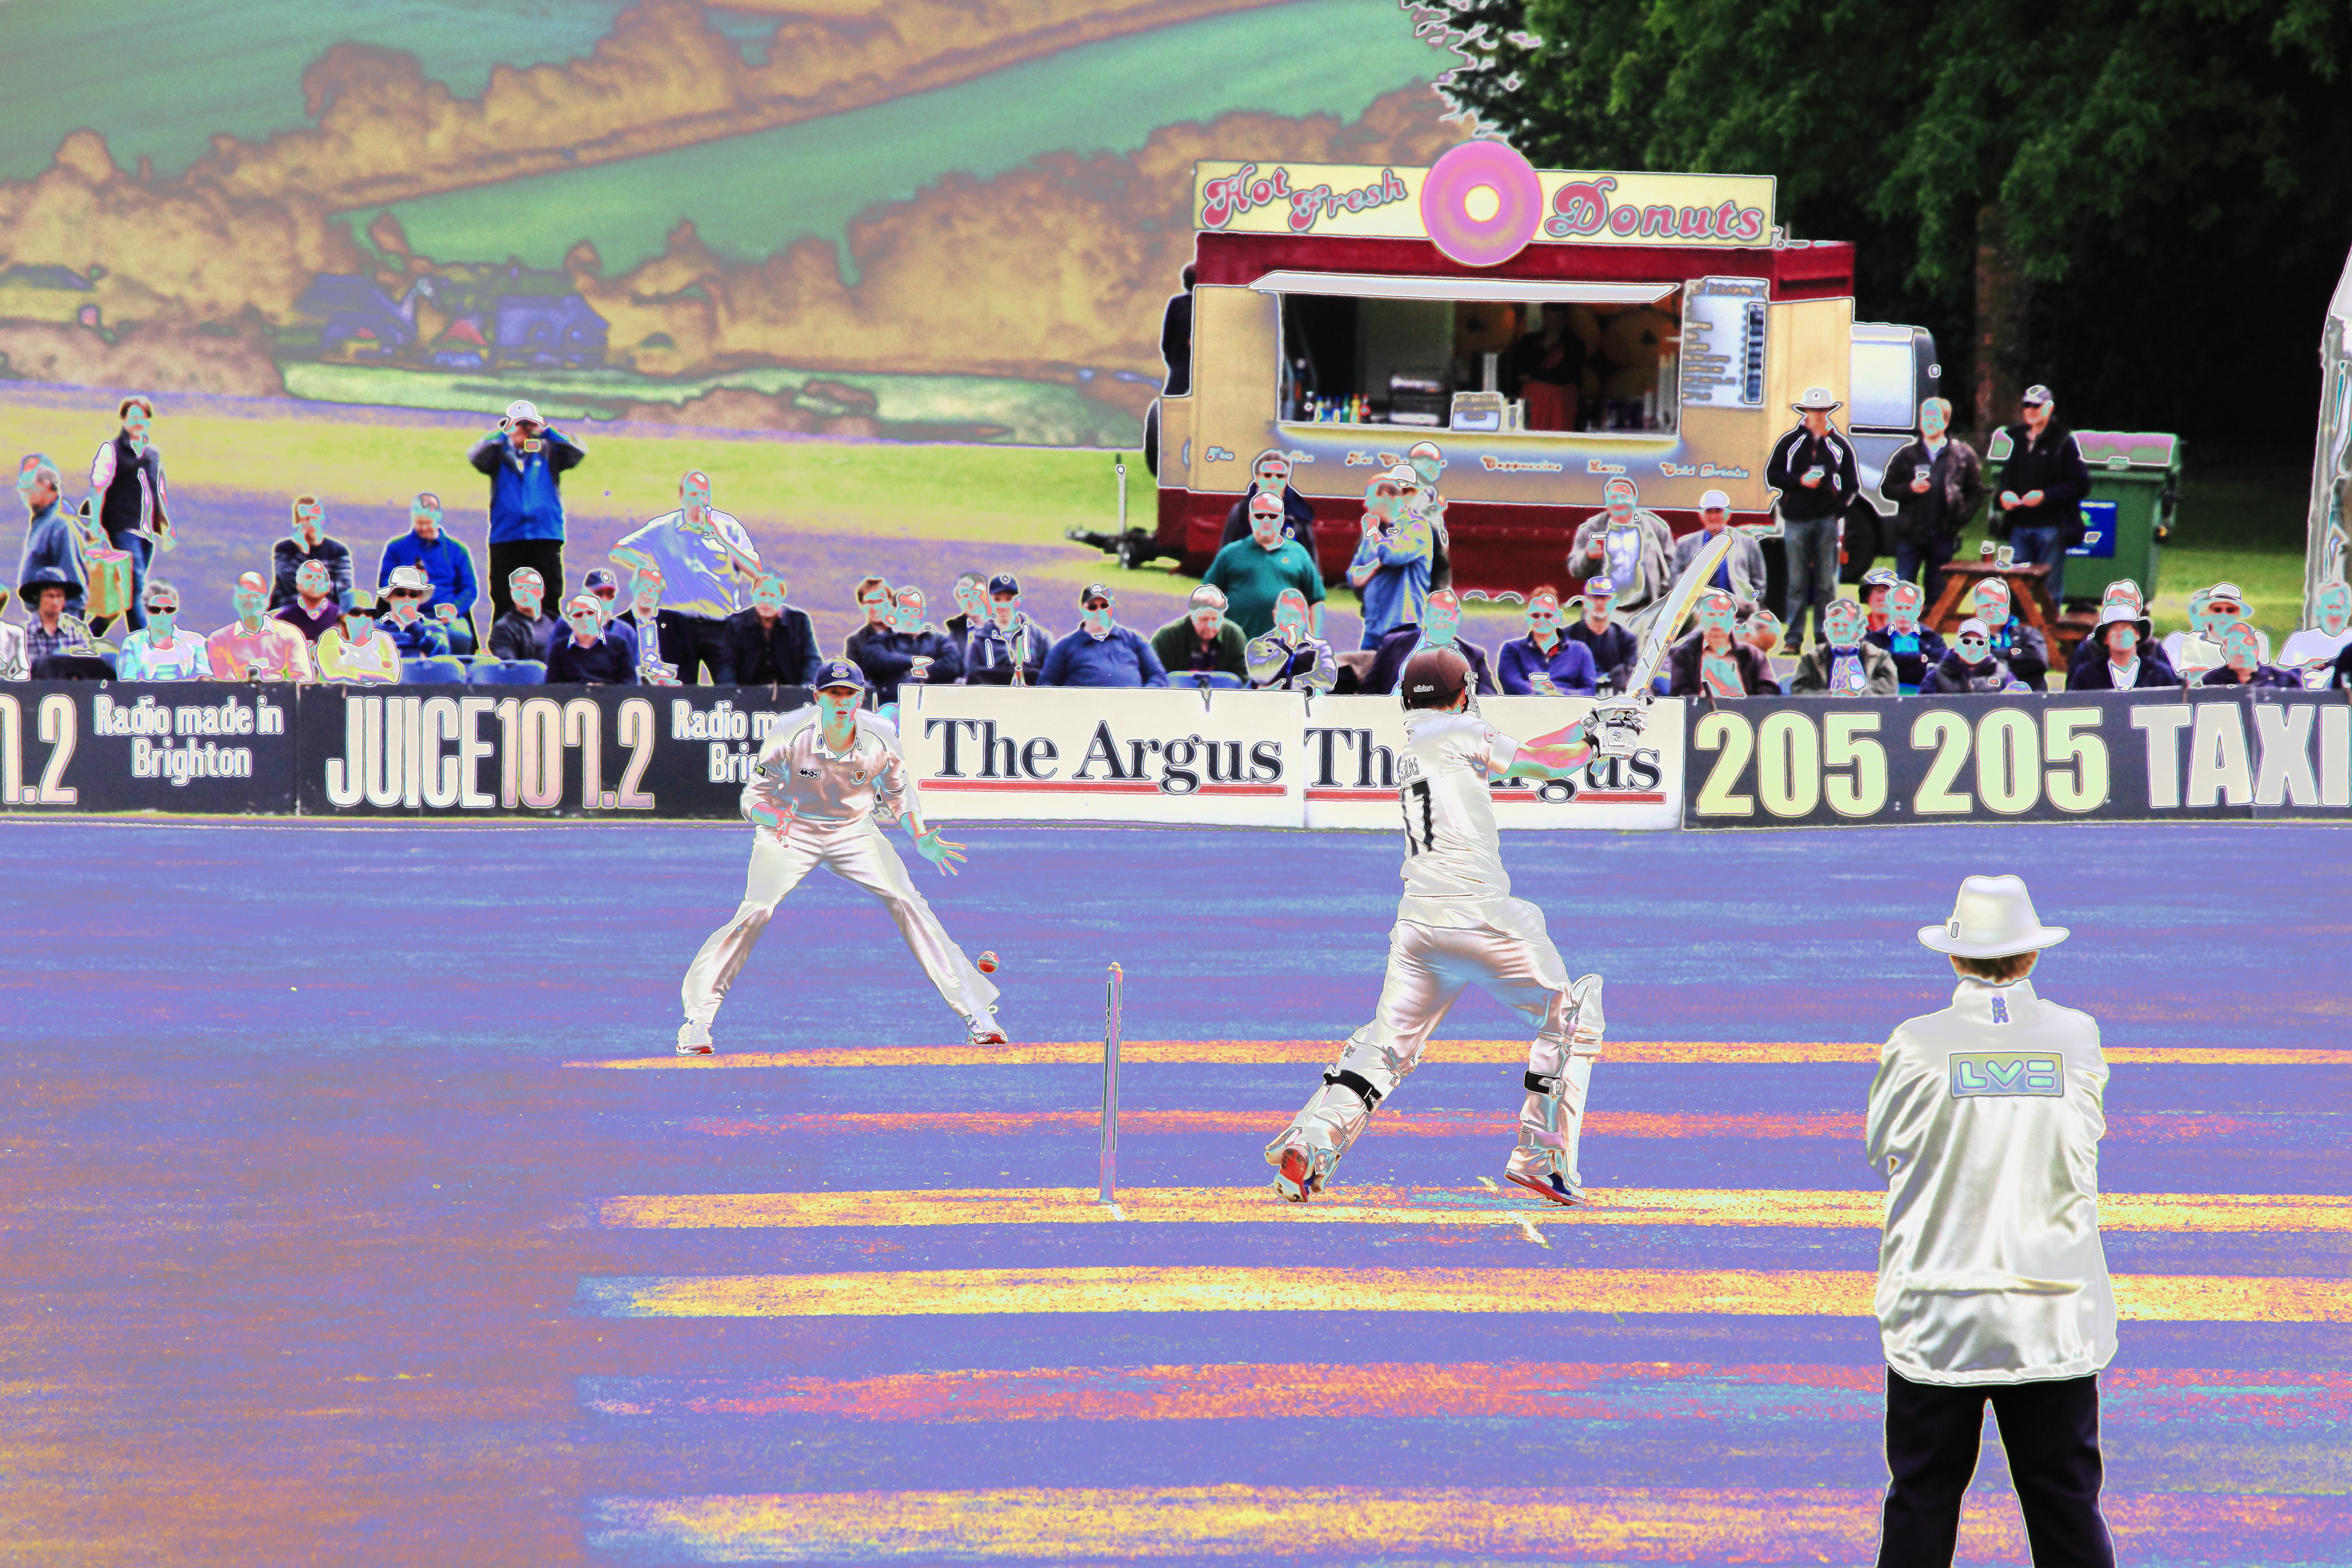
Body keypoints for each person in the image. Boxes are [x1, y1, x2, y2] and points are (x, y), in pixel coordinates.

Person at [1263, 645, 1634, 1205]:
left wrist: (1587, 727)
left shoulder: (1419, 744)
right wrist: (1598, 745)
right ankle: (1542, 1156)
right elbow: (1541, 765)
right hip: (1481, 916)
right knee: (1572, 1020)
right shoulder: (1462, 731)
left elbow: (1531, 751)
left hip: (1420, 925)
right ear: (1462, 693)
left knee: (1386, 1049)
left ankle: (1312, 1144)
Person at [1869, 874, 2116, 1568]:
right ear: (2031, 953)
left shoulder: (1916, 1043)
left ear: (1955, 955)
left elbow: (1881, 1148)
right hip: (2052, 1310)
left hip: (1939, 1309)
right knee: (2067, 1509)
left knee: (1922, 1501)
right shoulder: (2076, 1036)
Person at [678, 659, 1006, 1053]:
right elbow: (752, 798)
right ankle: (697, 1023)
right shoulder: (789, 733)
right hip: (791, 831)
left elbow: (899, 794)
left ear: (860, 698)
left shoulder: (881, 736)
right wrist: (774, 816)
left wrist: (919, 836)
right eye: (833, 693)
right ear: (818, 697)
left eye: (849, 693)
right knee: (758, 908)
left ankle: (977, 1014)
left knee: (907, 899)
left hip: (854, 831)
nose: (841, 701)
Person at [609, 470, 760, 685]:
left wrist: (724, 539)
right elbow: (618, 550)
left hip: (722, 626)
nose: (699, 501)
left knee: (730, 688)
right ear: (681, 497)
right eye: (693, 495)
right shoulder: (663, 529)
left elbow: (756, 571)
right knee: (678, 692)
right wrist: (648, 568)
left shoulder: (728, 527)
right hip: (677, 626)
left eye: (703, 494)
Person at [470, 398, 585, 622]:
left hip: (545, 534)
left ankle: (547, 640)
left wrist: (547, 431)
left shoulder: (549, 450)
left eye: (527, 424)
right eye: (519, 424)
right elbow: (475, 457)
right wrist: (504, 434)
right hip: (507, 536)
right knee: (503, 598)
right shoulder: (497, 451)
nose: (523, 430)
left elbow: (578, 451)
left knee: (549, 598)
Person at [1766, 387, 1859, 654]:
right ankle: (1794, 639)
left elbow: (1852, 486)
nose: (1818, 415)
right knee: (1796, 582)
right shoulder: (1790, 442)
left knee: (1826, 583)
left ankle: (1824, 637)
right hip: (1795, 520)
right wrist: (1800, 481)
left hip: (1827, 521)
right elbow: (1773, 475)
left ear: (1829, 412)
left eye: (1822, 411)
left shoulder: (1840, 446)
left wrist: (1837, 511)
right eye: (1813, 410)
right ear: (1805, 412)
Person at [1991, 385, 2092, 609]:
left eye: (2037, 406)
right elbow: (2007, 479)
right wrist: (2004, 495)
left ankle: (2048, 631)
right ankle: (2016, 629)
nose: (2031, 410)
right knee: (2015, 588)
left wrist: (2045, 496)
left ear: (2050, 408)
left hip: (2051, 528)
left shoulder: (2063, 441)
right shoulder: (2017, 439)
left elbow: (2081, 484)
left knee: (2049, 591)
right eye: (2027, 405)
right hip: (2019, 527)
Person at [1883, 397, 1984, 608]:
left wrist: (1960, 518)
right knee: (1903, 593)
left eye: (1934, 418)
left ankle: (1930, 629)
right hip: (1910, 534)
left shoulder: (1962, 455)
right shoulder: (1906, 454)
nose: (1929, 422)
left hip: (1943, 534)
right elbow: (1887, 488)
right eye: (1925, 418)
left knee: (1938, 596)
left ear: (1945, 423)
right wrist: (1910, 488)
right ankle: (1903, 628)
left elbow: (1977, 492)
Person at [88, 395, 173, 633]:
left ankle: (86, 637)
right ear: (124, 420)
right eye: (134, 417)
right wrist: (95, 523)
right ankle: (144, 642)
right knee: (136, 587)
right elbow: (98, 488)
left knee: (124, 595)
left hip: (147, 533)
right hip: (122, 528)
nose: (139, 422)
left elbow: (159, 492)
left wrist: (169, 527)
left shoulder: (153, 454)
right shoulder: (112, 450)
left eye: (143, 417)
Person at [1202, 497, 1326, 640]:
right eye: (1260, 516)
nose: (1266, 520)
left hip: (1284, 646)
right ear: (1251, 519)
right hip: (1236, 645)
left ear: (1282, 520)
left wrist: (1316, 640)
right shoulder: (1230, 554)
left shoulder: (1299, 555)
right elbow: (1207, 598)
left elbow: (1316, 601)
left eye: (1273, 516)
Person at [377, 492, 480, 655]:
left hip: (444, 615)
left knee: (459, 634)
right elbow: (385, 582)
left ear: (439, 517)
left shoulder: (457, 550)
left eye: (428, 523)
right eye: (420, 523)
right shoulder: (397, 548)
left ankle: (456, 669)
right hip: (405, 610)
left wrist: (454, 609)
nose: (424, 528)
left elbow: (470, 589)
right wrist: (407, 582)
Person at [1565, 477, 1676, 612]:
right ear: (1606, 502)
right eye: (1613, 497)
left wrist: (1660, 596)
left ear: (1635, 500)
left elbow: (1672, 566)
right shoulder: (1591, 530)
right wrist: (1588, 557)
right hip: (1604, 611)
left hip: (1645, 610)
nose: (1619, 502)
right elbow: (1575, 570)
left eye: (1624, 496)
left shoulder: (1655, 528)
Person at [1364, 588, 1496, 697]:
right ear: (1425, 616)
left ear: (1458, 618)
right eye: (1435, 614)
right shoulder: (1394, 644)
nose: (1440, 620)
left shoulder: (1474, 656)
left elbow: (1489, 697)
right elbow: (1369, 690)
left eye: (1446, 615)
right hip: (1396, 714)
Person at [1348, 482, 1434, 651]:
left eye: (1370, 498)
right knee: (1365, 669)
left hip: (1403, 627)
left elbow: (1393, 556)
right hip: (1372, 627)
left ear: (1386, 497)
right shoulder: (1375, 530)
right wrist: (1377, 566)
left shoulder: (1416, 527)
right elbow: (1353, 577)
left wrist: (1373, 535)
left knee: (1398, 670)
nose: (1365, 504)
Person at [1041, 583, 1168, 689]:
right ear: (1083, 609)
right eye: (1093, 607)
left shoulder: (1135, 640)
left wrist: (1143, 697)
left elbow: (1158, 676)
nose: (1100, 611)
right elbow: (1046, 684)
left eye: (1104, 606)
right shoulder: (1065, 647)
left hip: (1131, 708)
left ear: (1112, 606)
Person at [858, 586, 965, 703]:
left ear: (924, 613)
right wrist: (913, 661)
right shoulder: (881, 641)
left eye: (916, 611)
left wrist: (926, 671)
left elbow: (953, 663)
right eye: (905, 611)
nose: (911, 616)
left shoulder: (940, 640)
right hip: (893, 703)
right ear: (893, 612)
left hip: (935, 703)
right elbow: (878, 661)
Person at [206, 570, 315, 683]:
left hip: (283, 693)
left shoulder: (291, 634)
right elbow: (227, 685)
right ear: (236, 601)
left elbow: (303, 680)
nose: (253, 601)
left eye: (257, 595)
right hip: (240, 694)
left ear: (268, 600)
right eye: (246, 596)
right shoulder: (219, 640)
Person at [1668, 590, 1779, 697]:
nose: (1717, 621)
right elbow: (1680, 694)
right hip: (1706, 709)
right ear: (1700, 618)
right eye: (1711, 615)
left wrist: (1751, 706)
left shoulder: (1753, 655)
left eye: (1722, 615)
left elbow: (1769, 692)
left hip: (1744, 708)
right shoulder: (1685, 655)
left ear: (1733, 618)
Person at [14, 461, 87, 625]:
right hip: (43, 618)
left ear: (46, 486)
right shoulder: (44, 518)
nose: (20, 488)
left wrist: (66, 626)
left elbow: (73, 579)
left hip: (57, 623)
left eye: (25, 483)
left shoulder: (63, 523)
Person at [1497, 585, 1599, 696]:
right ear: (1527, 616)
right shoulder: (1512, 650)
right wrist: (1542, 694)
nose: (1542, 620)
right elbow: (1512, 685)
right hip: (1526, 706)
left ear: (1559, 616)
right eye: (1536, 616)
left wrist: (1556, 694)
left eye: (1548, 615)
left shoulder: (1580, 651)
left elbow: (1590, 691)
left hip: (1568, 707)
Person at [724, 573, 821, 687]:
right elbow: (727, 664)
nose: (767, 601)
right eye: (762, 595)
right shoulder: (736, 624)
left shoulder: (799, 622)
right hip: (749, 691)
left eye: (773, 596)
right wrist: (731, 690)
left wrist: (806, 688)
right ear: (753, 594)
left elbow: (812, 659)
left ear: (782, 597)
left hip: (791, 689)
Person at [1671, 489, 1766, 603]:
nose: (1714, 517)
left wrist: (1752, 602)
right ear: (1701, 514)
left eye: (1718, 511)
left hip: (1739, 605)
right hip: (1698, 606)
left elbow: (1759, 581)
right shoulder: (1685, 544)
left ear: (1728, 513)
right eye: (1709, 512)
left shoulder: (1747, 541)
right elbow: (1675, 578)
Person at [1790, 597, 1898, 696]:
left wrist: (1859, 695)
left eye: (1846, 625)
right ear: (1826, 628)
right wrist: (1830, 696)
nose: (1840, 630)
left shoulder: (1879, 657)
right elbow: (1798, 690)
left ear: (1860, 628)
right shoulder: (1811, 659)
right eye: (1835, 625)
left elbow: (1890, 686)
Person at [962, 573, 1053, 686]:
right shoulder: (979, 641)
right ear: (990, 602)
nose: (1003, 606)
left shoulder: (1041, 638)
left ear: (1019, 601)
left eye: (1009, 599)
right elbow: (971, 682)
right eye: (997, 599)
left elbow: (1052, 678)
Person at [268, 495, 353, 612]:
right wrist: (302, 553)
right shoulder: (284, 549)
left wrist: (315, 586)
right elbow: (287, 585)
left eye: (315, 518)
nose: (312, 523)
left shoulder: (338, 552)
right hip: (288, 610)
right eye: (307, 519)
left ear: (323, 520)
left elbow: (345, 590)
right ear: (297, 522)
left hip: (327, 612)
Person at [17, 567, 106, 678]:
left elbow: (92, 666)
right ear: (38, 598)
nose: (55, 602)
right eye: (50, 596)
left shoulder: (78, 629)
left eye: (59, 596)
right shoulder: (24, 633)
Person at [114, 579, 210, 682]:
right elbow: (127, 684)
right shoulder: (133, 643)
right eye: (155, 610)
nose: (163, 615)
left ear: (176, 612)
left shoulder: (195, 641)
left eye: (169, 610)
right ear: (146, 611)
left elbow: (205, 679)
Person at [1513, 300, 1586, 432]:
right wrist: (1545, 346)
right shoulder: (1529, 341)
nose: (1552, 324)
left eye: (1556, 319)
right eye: (1548, 318)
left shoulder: (1575, 345)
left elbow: (1565, 375)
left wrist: (1532, 375)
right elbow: (1521, 368)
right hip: (1533, 407)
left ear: (1565, 318)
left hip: (1560, 408)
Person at [1219, 449, 1315, 549]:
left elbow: (1309, 555)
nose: (1274, 480)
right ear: (1257, 478)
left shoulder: (1300, 513)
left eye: (1280, 476)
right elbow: (1226, 550)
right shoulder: (1242, 511)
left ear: (1286, 481)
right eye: (1268, 475)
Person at [1244, 588, 1336, 692]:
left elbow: (1327, 680)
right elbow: (1261, 677)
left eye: (1298, 616)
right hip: (1268, 701)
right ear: (1276, 616)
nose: (1293, 621)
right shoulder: (1259, 645)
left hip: (1305, 700)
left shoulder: (1320, 647)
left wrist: (1288, 685)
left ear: (1307, 616)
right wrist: (1286, 649)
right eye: (1287, 616)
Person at [1151, 584, 1248, 681]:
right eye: (1204, 620)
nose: (1210, 626)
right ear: (1192, 615)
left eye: (1215, 619)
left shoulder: (1234, 637)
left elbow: (1243, 679)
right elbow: (1157, 679)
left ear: (1223, 616)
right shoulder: (1167, 639)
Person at [1868, 580, 1949, 696]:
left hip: (1924, 698)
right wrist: (1919, 659)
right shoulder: (1874, 639)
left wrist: (1891, 660)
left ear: (1919, 610)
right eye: (1898, 608)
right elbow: (1872, 673)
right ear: (1889, 609)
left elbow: (1940, 673)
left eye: (1909, 608)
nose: (1903, 614)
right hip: (1885, 698)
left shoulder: (1933, 639)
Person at [1970, 577, 2050, 691]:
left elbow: (2039, 662)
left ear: (2008, 607)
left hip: (2031, 697)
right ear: (1977, 611)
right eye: (1986, 606)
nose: (1992, 610)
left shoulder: (2028, 634)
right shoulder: (1969, 639)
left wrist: (1996, 657)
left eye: (1997, 605)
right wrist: (2014, 655)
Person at [2067, 604, 2172, 691]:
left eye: (2126, 628)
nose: (2120, 634)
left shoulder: (2161, 674)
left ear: (2137, 634)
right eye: (2114, 629)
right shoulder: (2086, 675)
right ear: (2105, 639)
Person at [1563, 576, 1640, 694]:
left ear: (1615, 604)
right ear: (1585, 603)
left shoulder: (1627, 640)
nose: (1599, 603)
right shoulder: (1567, 636)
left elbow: (1631, 675)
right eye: (1594, 598)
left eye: (1605, 598)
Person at [546, 593, 639, 684]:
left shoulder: (620, 645)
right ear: (569, 622)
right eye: (578, 615)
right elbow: (553, 687)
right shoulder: (559, 649)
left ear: (600, 617)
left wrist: (603, 690)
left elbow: (629, 684)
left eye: (591, 613)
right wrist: (584, 689)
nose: (585, 618)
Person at [315, 591, 401, 684]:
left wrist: (350, 669)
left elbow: (393, 676)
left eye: (369, 613)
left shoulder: (383, 639)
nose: (363, 618)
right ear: (343, 617)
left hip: (374, 693)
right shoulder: (331, 637)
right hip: (338, 693)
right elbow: (332, 673)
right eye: (356, 613)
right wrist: (377, 673)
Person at [614, 567, 681, 685]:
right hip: (635, 686)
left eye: (654, 587)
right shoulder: (620, 625)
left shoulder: (676, 622)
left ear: (661, 590)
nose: (648, 592)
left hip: (670, 686)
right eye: (644, 586)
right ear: (632, 587)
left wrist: (680, 685)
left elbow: (689, 662)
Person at [1919, 618, 2017, 695]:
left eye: (1980, 643)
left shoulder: (2003, 674)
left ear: (1987, 649)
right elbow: (1923, 708)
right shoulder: (1937, 675)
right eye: (1966, 641)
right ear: (1957, 646)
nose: (1973, 648)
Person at [2280, 579, 2352, 680]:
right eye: (2330, 607)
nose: (2334, 613)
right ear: (2318, 608)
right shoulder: (2299, 640)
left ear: (2349, 610)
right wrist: (2306, 667)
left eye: (2339, 608)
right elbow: (2280, 675)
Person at [378, 565, 454, 660]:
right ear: (390, 597)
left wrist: (413, 624)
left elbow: (442, 655)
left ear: (419, 599)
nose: (407, 599)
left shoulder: (434, 626)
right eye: (401, 594)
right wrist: (418, 654)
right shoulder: (376, 628)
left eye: (413, 595)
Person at [488, 567, 561, 664]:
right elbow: (509, 666)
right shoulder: (504, 629)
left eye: (530, 587)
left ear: (542, 590)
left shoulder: (556, 623)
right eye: (519, 588)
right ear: (512, 593)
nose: (525, 592)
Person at [2200, 622, 2298, 688]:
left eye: (2247, 648)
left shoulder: (2281, 679)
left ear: (2256, 650)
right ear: (2224, 652)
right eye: (2236, 648)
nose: (2242, 653)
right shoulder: (2213, 680)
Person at [273, 559, 345, 645]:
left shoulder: (341, 617)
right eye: (309, 577)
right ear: (298, 586)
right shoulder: (283, 619)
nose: (315, 581)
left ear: (328, 587)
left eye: (319, 577)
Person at [842, 575, 896, 664]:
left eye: (881, 601)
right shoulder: (855, 642)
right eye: (870, 602)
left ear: (891, 602)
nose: (876, 608)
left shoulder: (905, 636)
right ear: (862, 605)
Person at [944, 572, 989, 645]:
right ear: (959, 602)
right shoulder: (953, 636)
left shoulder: (1002, 625)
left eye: (976, 593)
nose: (972, 599)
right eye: (966, 596)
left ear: (989, 595)